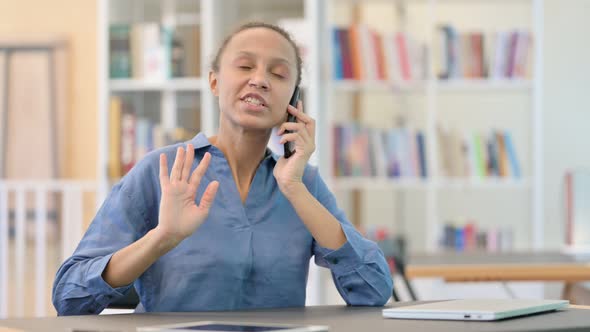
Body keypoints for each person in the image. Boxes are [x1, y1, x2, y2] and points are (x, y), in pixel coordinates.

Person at [52, 22, 393, 315]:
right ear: (214, 82)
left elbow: (374, 289)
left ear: (293, 101)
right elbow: (69, 296)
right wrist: (161, 239)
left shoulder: (304, 184)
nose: (259, 80)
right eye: (245, 67)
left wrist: (294, 188)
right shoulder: (161, 171)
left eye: (278, 73)